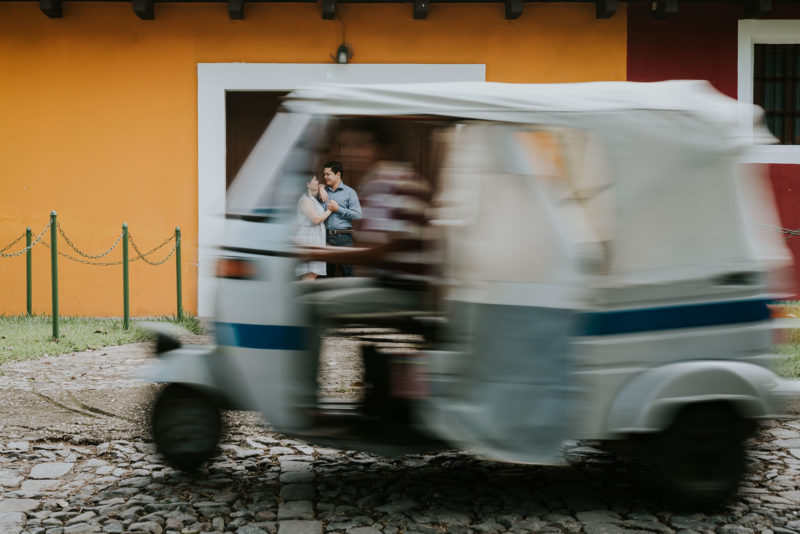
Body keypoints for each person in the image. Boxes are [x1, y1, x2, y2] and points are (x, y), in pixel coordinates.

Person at [317, 161, 361, 277]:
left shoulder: (350, 192)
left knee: (347, 273)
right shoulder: (323, 191)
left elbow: (357, 215)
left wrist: (338, 209)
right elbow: (310, 191)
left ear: (338, 175)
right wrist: (320, 187)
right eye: (324, 174)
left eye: (328, 174)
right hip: (325, 237)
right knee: (326, 275)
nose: (325, 177)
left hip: (343, 237)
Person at [295, 176, 334, 280]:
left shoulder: (311, 198)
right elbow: (316, 219)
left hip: (315, 237)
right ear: (308, 184)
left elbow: (322, 185)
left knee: (313, 273)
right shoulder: (305, 200)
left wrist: (321, 188)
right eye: (315, 180)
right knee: (311, 273)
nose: (317, 182)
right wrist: (330, 210)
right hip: (309, 237)